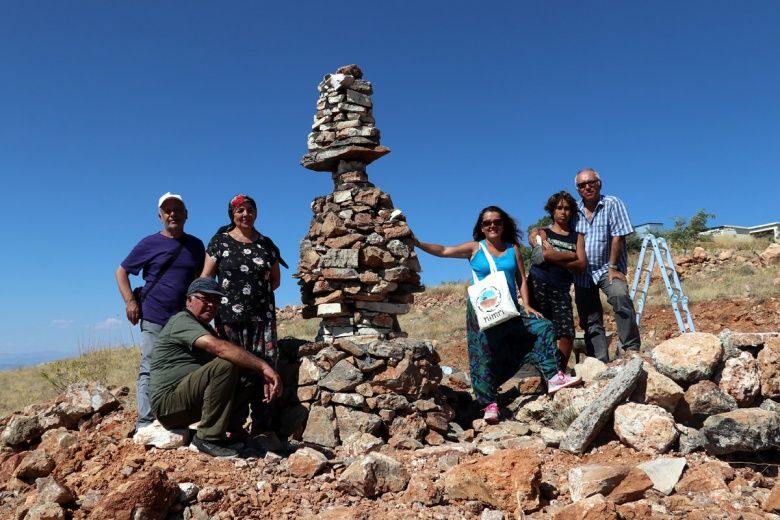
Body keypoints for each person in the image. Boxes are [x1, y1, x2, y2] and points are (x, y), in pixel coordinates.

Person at [414, 206, 581, 424]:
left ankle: (553, 376)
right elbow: (444, 250)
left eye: (496, 222)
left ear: (503, 225)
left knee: (543, 327)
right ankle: (489, 404)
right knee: (483, 353)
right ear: (481, 228)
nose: (492, 225)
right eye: (487, 223)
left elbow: (521, 278)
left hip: (510, 308)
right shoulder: (474, 248)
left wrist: (527, 304)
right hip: (481, 311)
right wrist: (418, 244)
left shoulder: (513, 248)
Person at [149, 278, 283, 458]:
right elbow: (220, 349)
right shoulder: (181, 320)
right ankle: (207, 438)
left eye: (216, 301)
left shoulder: (204, 328)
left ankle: (231, 431)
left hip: (189, 402)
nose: (212, 305)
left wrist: (258, 371)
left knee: (245, 369)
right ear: (189, 300)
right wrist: (265, 367)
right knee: (226, 364)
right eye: (206, 299)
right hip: (168, 406)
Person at [115, 192, 205, 433]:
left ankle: (180, 415)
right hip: (154, 314)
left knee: (185, 366)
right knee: (149, 366)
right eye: (168, 211)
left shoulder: (196, 245)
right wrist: (130, 302)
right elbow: (121, 272)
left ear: (186, 215)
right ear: (160, 216)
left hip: (183, 319)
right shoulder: (149, 243)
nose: (172, 214)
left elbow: (199, 279)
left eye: (177, 210)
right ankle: (145, 422)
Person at [200, 194, 286, 433]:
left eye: (249, 210)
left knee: (265, 370)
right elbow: (206, 277)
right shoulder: (220, 242)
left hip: (262, 321)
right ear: (232, 215)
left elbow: (275, 281)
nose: (245, 214)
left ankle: (263, 429)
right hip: (229, 320)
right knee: (233, 371)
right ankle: (231, 427)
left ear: (256, 213)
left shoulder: (267, 245)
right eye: (240, 211)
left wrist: (253, 299)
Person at [572, 168, 641, 361]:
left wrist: (612, 267)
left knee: (620, 297)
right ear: (578, 189)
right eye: (582, 185)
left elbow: (618, 236)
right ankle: (599, 359)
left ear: (599, 184)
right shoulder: (573, 211)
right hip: (583, 273)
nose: (587, 187)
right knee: (589, 316)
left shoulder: (612, 203)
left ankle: (630, 348)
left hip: (607, 268)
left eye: (591, 182)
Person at [527, 191, 586, 370]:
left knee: (566, 333)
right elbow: (541, 255)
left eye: (567, 208)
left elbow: (582, 264)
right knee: (540, 330)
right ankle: (541, 373)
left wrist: (553, 254)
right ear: (552, 210)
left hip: (561, 287)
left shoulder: (577, 237)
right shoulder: (542, 233)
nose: (563, 212)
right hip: (538, 283)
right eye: (559, 208)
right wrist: (570, 255)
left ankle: (558, 373)